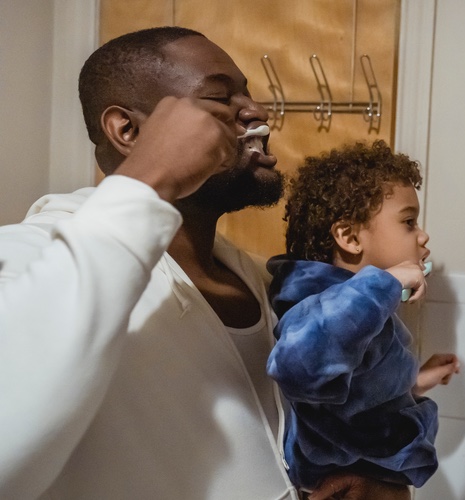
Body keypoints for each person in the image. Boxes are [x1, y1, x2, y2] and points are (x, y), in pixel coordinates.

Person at [0, 27, 410, 500]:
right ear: (128, 130)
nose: (257, 112)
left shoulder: (261, 279)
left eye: (249, 94)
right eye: (219, 96)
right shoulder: (31, 252)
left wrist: (368, 480)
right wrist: (149, 179)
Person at [266, 140, 460, 492]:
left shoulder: (361, 306)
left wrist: (414, 381)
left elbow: (357, 397)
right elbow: (298, 366)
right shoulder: (323, 301)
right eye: (409, 221)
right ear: (349, 237)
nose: (423, 234)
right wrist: (384, 284)